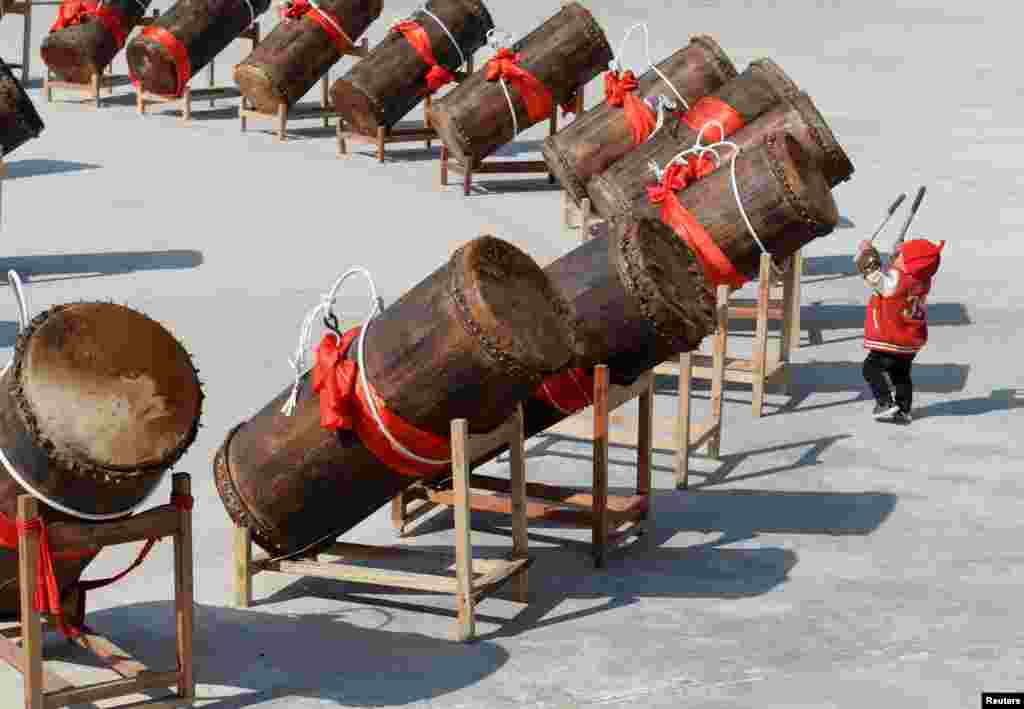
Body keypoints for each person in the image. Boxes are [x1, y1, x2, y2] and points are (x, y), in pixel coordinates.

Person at [854, 237, 945, 423]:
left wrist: (867, 253)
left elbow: (875, 278)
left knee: (870, 368)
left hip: (892, 337)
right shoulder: (923, 280)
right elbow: (903, 268)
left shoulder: (898, 281)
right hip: (910, 340)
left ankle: (885, 403)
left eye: (901, 255)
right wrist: (899, 253)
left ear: (908, 263)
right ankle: (903, 409)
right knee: (900, 374)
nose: (896, 256)